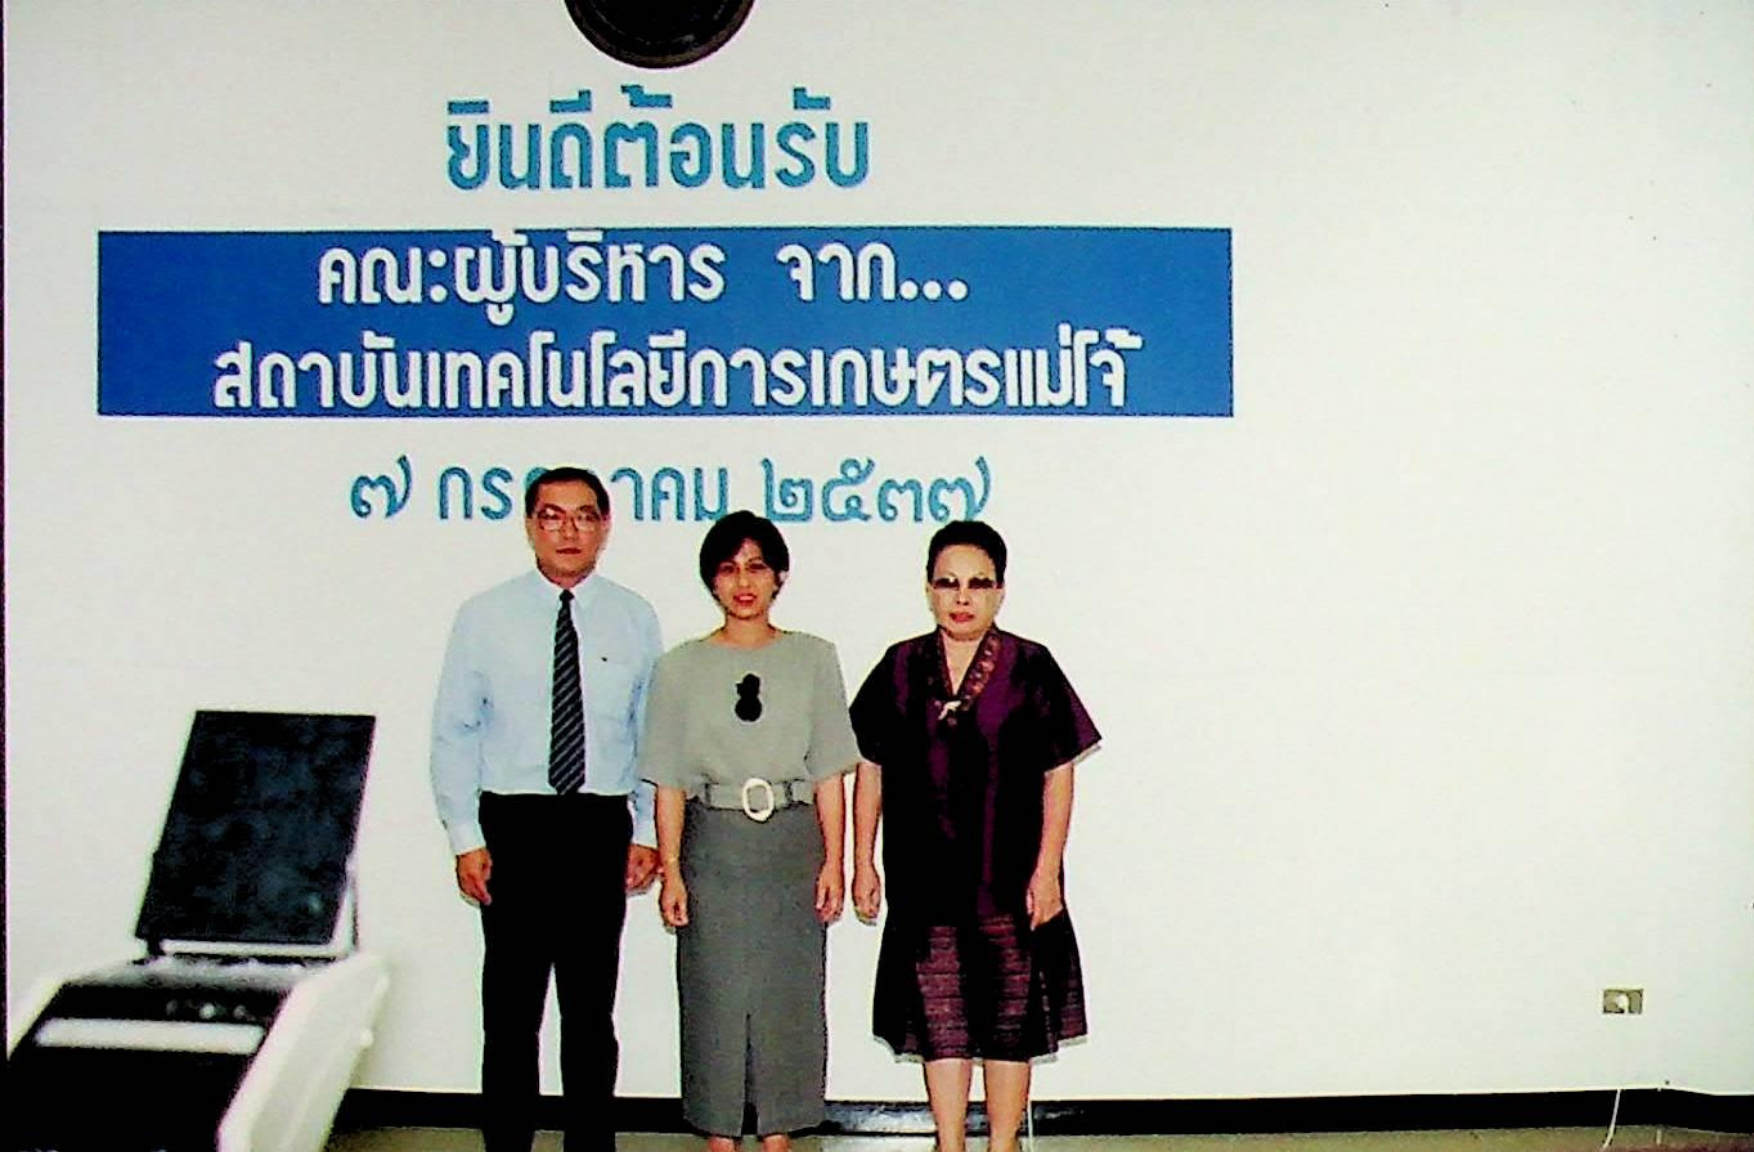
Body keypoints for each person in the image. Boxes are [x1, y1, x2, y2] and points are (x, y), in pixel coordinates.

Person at [430, 466, 662, 1151]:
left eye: (584, 516)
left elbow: (650, 731)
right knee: (510, 1014)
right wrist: (465, 836)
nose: (569, 531)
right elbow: (454, 731)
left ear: (605, 527)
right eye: (553, 516)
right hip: (513, 827)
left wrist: (647, 829)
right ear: (531, 525)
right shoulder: (484, 616)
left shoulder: (634, 616)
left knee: (590, 1015)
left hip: (598, 826)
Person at [849, 520, 1100, 1153]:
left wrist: (1047, 871)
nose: (962, 598)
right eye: (948, 583)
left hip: (1010, 882)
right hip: (923, 882)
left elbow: (1059, 773)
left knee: (1010, 1024)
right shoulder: (900, 666)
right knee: (942, 1022)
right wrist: (862, 861)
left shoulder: (1031, 665)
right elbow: (870, 767)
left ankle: (1003, 1145)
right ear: (928, 591)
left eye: (978, 584)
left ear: (1000, 592)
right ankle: (950, 1143)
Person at [639, 511, 859, 1152]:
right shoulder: (679, 667)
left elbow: (829, 773)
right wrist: (672, 870)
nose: (743, 582)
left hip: (791, 844)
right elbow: (669, 782)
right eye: (729, 569)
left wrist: (835, 862)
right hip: (713, 845)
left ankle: (779, 1136)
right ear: (711, 580)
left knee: (790, 997)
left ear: (779, 577)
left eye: (757, 567)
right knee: (713, 998)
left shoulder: (813, 658)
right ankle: (719, 1137)